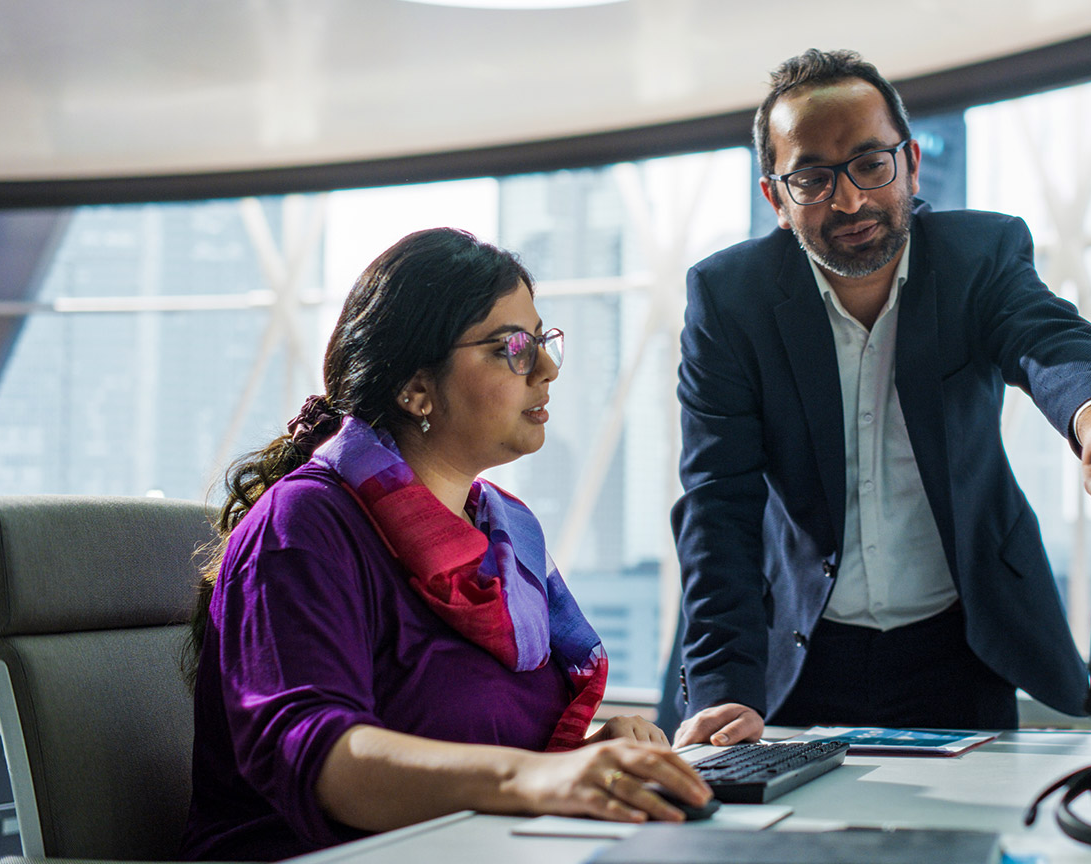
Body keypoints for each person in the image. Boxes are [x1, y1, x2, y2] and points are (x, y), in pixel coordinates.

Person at [182, 228, 711, 861]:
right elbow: (319, 757)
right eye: (510, 347)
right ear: (415, 388)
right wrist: (531, 778)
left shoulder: (503, 533)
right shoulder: (303, 525)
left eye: (540, 340)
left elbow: (487, 741)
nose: (545, 368)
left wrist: (588, 756)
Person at [670, 49, 1091, 748]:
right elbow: (717, 506)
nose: (848, 200)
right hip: (800, 650)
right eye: (812, 179)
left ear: (910, 162)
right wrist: (725, 688)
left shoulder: (978, 255)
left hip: (962, 645)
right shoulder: (732, 300)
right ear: (777, 199)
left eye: (869, 164)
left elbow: (1046, 336)